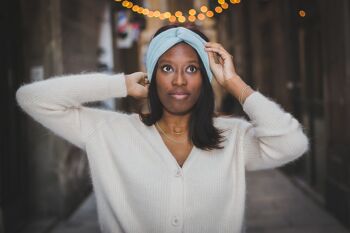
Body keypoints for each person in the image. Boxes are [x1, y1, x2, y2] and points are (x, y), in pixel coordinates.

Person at [16, 25, 309, 233]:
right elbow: (32, 98)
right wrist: (119, 84)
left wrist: (235, 84)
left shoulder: (233, 137)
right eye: (166, 68)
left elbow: (292, 144)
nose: (179, 80)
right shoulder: (109, 132)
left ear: (206, 78)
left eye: (193, 69)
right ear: (152, 74)